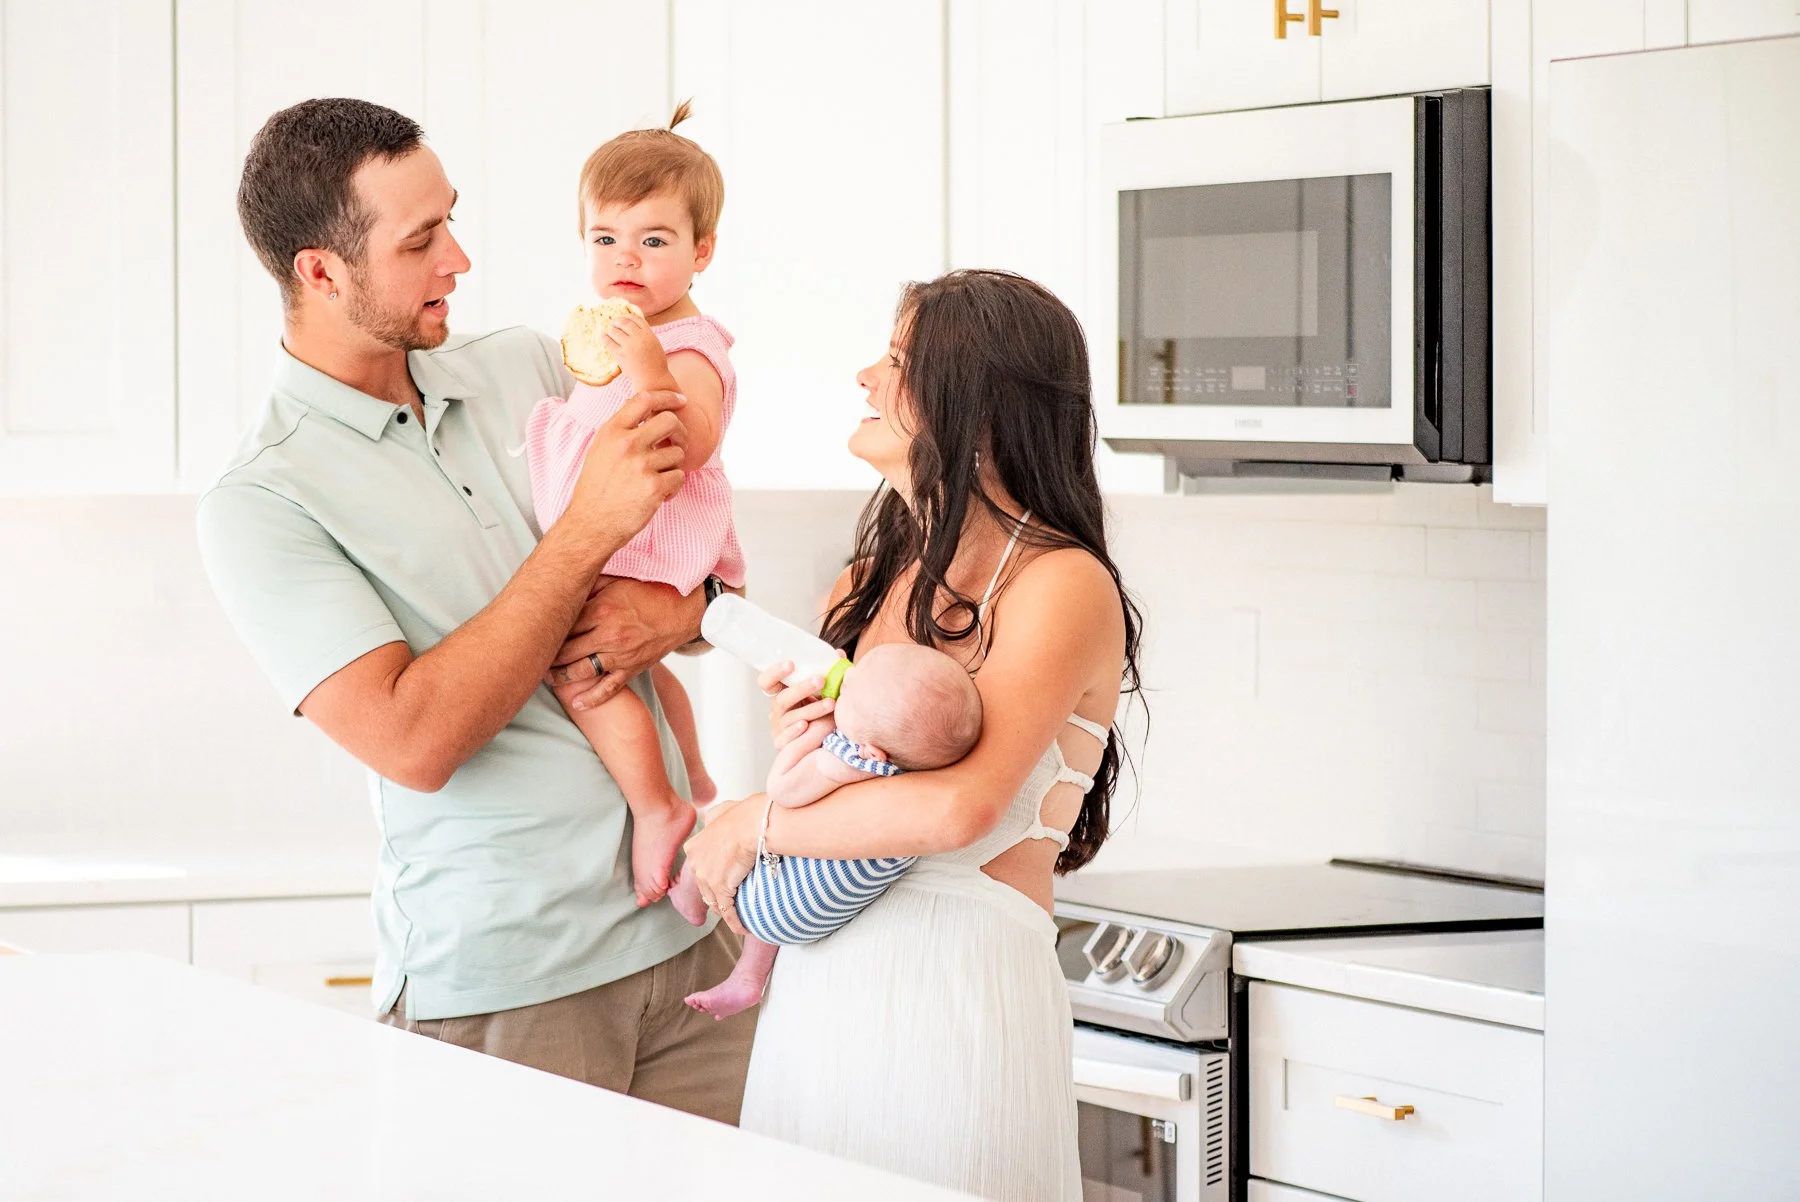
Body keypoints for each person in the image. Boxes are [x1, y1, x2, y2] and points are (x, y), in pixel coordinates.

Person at [196, 97, 754, 1123]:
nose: (460, 257)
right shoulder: (262, 500)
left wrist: (686, 608)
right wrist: (584, 533)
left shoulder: (530, 365)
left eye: (451, 218)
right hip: (509, 987)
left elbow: (697, 563)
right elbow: (414, 739)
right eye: (422, 240)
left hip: (688, 934)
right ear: (320, 271)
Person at [684, 269, 1144, 1198]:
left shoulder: (1060, 585)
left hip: (959, 995)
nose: (864, 377)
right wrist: (803, 749)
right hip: (819, 992)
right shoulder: (862, 584)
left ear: (973, 405)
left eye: (896, 361)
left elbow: (961, 808)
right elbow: (855, 790)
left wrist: (752, 824)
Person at [525, 102, 744, 910]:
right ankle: (691, 771)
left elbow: (683, 443)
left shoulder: (690, 349)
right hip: (621, 532)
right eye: (605, 239)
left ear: (701, 253)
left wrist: (647, 365)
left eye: (654, 241)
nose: (627, 260)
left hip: (648, 539)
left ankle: (659, 805)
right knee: (638, 671)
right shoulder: (612, 339)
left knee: (583, 675)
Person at [683, 641, 984, 1020]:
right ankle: (748, 977)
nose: (844, 679)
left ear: (871, 750)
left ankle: (688, 894)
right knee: (787, 859)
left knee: (724, 815)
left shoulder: (847, 759)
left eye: (851, 691)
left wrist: (819, 727)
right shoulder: (916, 776)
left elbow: (781, 791)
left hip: (768, 906)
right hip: (809, 914)